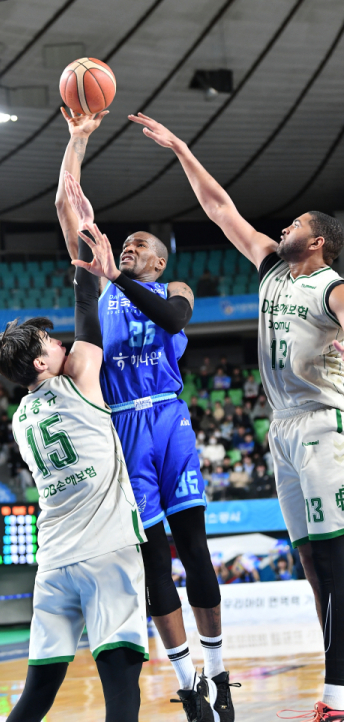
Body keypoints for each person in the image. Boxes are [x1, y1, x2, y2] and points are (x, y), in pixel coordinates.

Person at [130, 109, 344, 718]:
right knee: (310, 564)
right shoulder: (274, 269)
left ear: (319, 240)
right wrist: (179, 148)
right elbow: (220, 207)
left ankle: (337, 696)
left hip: (325, 425)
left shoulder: (333, 286)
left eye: (297, 223)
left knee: (333, 559)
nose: (285, 225)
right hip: (281, 430)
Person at [58, 120, 233, 720]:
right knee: (156, 560)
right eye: (123, 243)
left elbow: (172, 318)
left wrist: (119, 275)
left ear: (158, 261)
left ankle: (220, 676)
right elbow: (65, 201)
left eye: (139, 245)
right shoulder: (95, 286)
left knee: (197, 551)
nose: (127, 246)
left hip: (169, 419)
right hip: (125, 429)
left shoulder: (172, 289)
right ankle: (189, 687)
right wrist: (79, 137)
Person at [0, 216, 148, 722]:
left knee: (35, 695)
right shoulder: (77, 379)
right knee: (120, 685)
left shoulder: (18, 418)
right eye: (52, 344)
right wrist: (82, 235)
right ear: (40, 364)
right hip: (107, 549)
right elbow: (85, 303)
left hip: (53, 561)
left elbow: (78, 318)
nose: (63, 344)